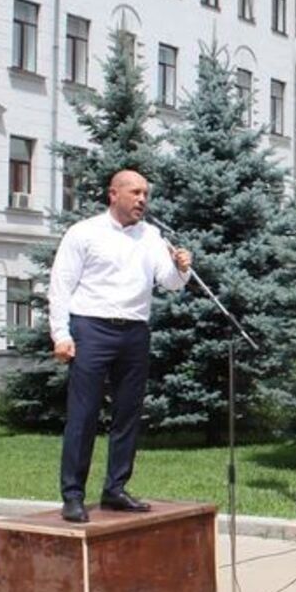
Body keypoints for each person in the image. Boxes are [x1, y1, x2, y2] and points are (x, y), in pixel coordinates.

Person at [49, 169, 192, 523]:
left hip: (134, 332)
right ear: (113, 195)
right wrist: (61, 335)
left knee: (127, 414)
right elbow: (60, 285)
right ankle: (73, 495)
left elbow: (170, 283)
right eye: (135, 192)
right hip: (91, 329)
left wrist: (182, 268)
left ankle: (115, 489)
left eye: (145, 193)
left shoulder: (152, 236)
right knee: (83, 415)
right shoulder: (84, 233)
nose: (142, 199)